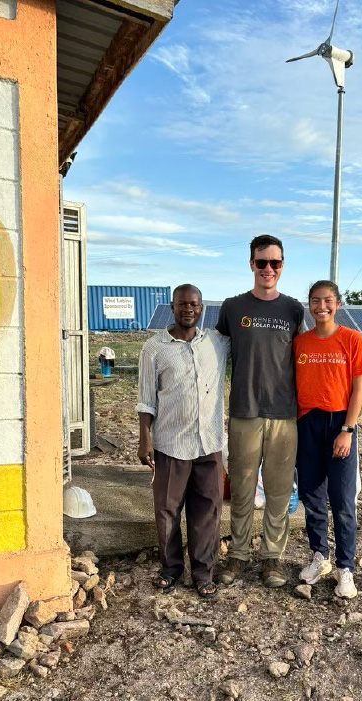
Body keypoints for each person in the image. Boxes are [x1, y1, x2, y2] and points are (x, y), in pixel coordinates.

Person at [216, 235, 304, 588]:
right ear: (251, 264)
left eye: (275, 263)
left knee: (279, 492)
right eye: (262, 262)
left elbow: (306, 356)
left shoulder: (294, 310)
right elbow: (216, 353)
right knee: (242, 489)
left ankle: (272, 559)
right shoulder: (233, 307)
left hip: (285, 414)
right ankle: (236, 556)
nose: (268, 269)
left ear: (283, 266)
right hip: (244, 412)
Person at [136, 284, 230, 598]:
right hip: (170, 443)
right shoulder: (154, 348)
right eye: (181, 304)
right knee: (167, 509)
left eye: (193, 304)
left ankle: (203, 573)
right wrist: (144, 438)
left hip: (209, 443)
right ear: (172, 307)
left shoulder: (217, 343)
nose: (188, 309)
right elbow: (146, 399)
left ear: (202, 308)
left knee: (208, 510)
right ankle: (171, 568)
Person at [293, 280, 362, 598]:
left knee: (342, 501)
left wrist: (347, 430)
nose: (320, 306)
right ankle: (319, 557)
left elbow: (359, 389)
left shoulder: (352, 339)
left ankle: (345, 568)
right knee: (312, 498)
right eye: (314, 300)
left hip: (339, 423)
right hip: (307, 423)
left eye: (327, 300)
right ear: (309, 305)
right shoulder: (300, 343)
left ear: (338, 304)